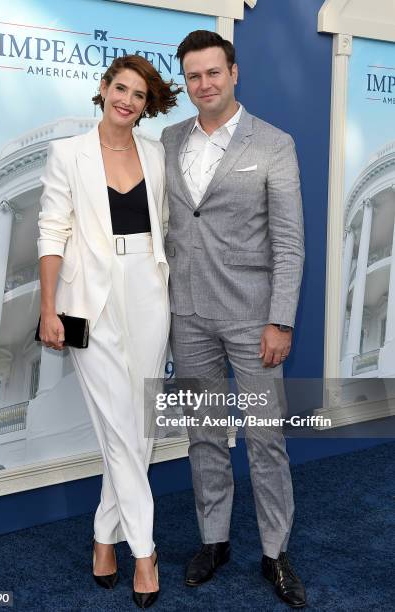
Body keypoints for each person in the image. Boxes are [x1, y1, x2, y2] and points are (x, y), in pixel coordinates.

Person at [161, 31, 307, 607]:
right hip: (187, 315)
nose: (204, 85)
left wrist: (282, 320)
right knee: (203, 436)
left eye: (213, 73)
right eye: (193, 76)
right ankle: (214, 541)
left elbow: (290, 244)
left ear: (235, 73)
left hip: (254, 319)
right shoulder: (170, 139)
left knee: (266, 440)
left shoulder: (274, 143)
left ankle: (275, 554)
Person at [37, 54, 179, 609]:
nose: (127, 100)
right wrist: (49, 308)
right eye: (120, 88)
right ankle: (144, 549)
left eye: (139, 95)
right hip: (84, 300)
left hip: (148, 286)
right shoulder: (67, 153)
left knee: (137, 423)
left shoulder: (155, 152)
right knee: (120, 422)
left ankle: (103, 537)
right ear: (103, 89)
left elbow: (164, 223)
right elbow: (52, 232)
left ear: (146, 105)